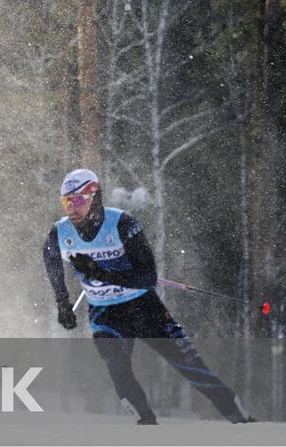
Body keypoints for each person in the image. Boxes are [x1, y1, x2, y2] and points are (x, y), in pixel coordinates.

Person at [42, 168, 252, 425]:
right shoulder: (60, 233)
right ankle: (146, 424)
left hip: (143, 307)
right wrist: (62, 303)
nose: (71, 208)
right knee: (118, 370)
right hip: (105, 315)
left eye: (77, 200)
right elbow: (52, 264)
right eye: (66, 201)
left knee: (190, 366)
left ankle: (240, 418)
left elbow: (147, 277)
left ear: (94, 196)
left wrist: (100, 272)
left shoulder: (122, 223)